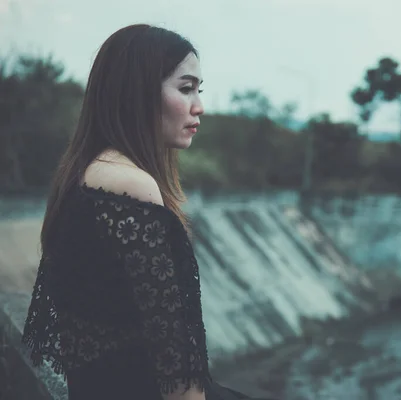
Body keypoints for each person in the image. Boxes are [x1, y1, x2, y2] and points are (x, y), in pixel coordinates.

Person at [21, 24, 276, 400]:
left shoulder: (83, 172)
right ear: (136, 93)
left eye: (198, 91)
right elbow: (176, 369)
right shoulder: (130, 184)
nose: (199, 106)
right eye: (186, 88)